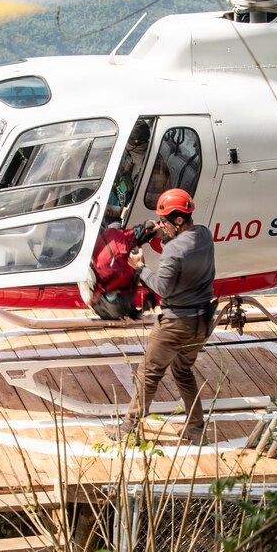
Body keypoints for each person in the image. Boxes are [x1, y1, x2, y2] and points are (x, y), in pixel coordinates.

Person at [106, 187, 216, 445]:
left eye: (165, 221)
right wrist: (166, 234)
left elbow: (163, 287)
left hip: (176, 324)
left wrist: (140, 268)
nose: (162, 225)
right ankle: (196, 429)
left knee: (149, 374)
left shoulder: (173, 251)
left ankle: (129, 431)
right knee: (183, 371)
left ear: (178, 220)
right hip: (202, 321)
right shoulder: (204, 235)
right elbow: (184, 249)